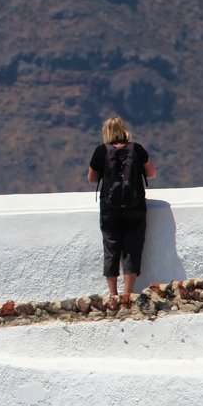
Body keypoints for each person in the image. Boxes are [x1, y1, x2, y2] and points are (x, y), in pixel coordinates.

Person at [87, 116, 157, 302]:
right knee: (132, 248)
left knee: (111, 248)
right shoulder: (137, 149)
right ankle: (127, 294)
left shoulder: (101, 151)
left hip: (110, 210)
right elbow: (152, 173)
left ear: (107, 132)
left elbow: (92, 179)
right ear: (125, 130)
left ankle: (113, 295)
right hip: (135, 208)